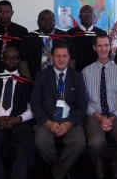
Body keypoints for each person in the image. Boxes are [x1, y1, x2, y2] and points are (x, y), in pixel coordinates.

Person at [82, 33, 117, 179]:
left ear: (111, 47)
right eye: (99, 45)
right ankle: (99, 174)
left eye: (106, 45)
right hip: (94, 115)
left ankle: (115, 172)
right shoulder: (86, 72)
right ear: (94, 48)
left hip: (116, 115)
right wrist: (98, 116)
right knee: (96, 143)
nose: (103, 49)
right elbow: (84, 101)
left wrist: (112, 117)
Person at [30, 41, 87, 179]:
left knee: (79, 143)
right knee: (41, 143)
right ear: (51, 57)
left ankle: (55, 172)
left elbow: (82, 105)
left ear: (69, 57)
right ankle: (62, 168)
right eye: (58, 56)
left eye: (64, 56)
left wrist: (69, 123)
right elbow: (35, 103)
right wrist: (48, 122)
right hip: (47, 118)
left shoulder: (77, 76)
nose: (61, 59)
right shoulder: (41, 76)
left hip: (70, 119)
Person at [0, 47, 34, 179]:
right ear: (2, 60)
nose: (11, 60)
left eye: (15, 57)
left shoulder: (27, 83)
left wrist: (20, 119)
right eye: (8, 57)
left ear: (19, 60)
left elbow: (32, 108)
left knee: (25, 148)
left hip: (19, 122)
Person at [19, 9, 76, 80]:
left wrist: (65, 78)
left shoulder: (65, 38)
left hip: (60, 80)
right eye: (43, 19)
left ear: (55, 21)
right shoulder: (29, 38)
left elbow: (72, 60)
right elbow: (23, 61)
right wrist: (29, 80)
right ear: (37, 22)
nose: (47, 21)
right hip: (34, 80)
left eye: (50, 19)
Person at [0, 0, 28, 73]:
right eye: (1, 12)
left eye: (7, 12)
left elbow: (23, 56)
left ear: (12, 13)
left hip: (15, 72)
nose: (4, 15)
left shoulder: (21, 31)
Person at [67, 5, 105, 72]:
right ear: (79, 16)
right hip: (76, 72)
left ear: (94, 16)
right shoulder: (70, 34)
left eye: (90, 13)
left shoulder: (101, 34)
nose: (87, 15)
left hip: (97, 72)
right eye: (84, 13)